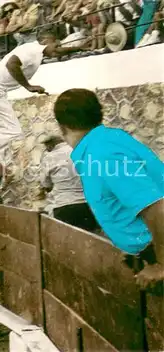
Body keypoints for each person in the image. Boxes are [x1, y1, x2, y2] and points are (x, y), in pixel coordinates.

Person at [53, 88, 164, 289]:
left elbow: (156, 206)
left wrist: (161, 265)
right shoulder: (107, 141)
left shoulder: (103, 153)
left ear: (62, 127)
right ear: (98, 115)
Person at [0, 29, 87, 164]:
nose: (58, 49)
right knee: (13, 131)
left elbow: (56, 51)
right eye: (56, 44)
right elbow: (12, 64)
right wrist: (28, 86)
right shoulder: (31, 49)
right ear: (45, 41)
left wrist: (77, 48)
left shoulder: (37, 51)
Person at [39, 134, 100, 232]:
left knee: (67, 243)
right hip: (86, 205)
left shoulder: (49, 157)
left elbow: (46, 184)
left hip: (64, 205)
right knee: (89, 240)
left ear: (49, 145)